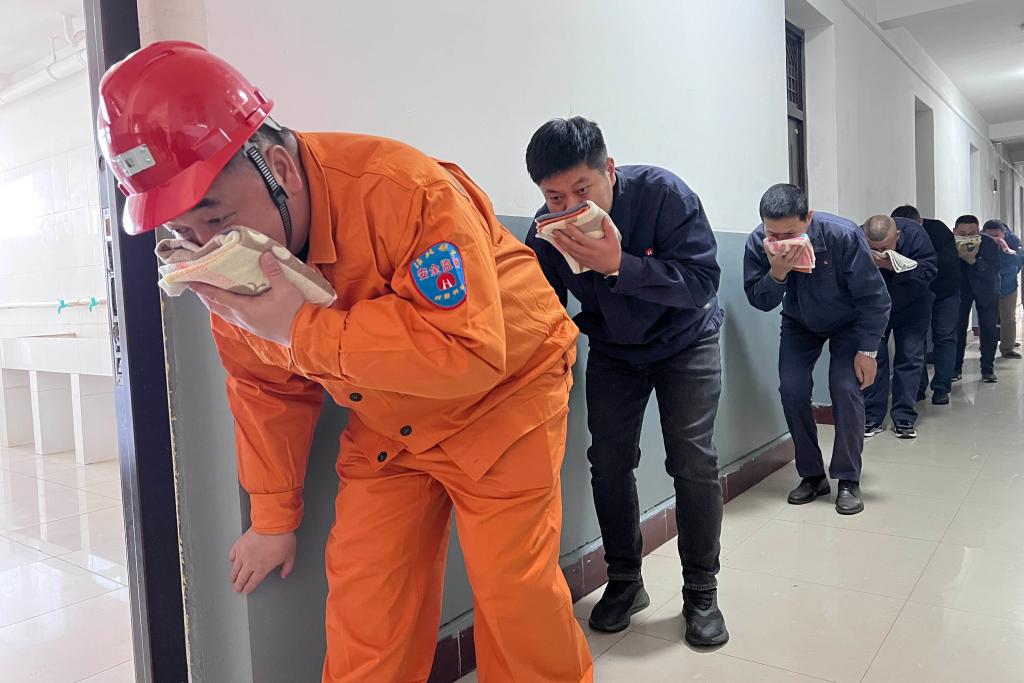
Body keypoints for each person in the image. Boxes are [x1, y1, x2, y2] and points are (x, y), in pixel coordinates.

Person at [96, 42, 593, 683]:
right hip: (389, 422)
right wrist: (273, 518)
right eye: (183, 232)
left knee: (516, 597)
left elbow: (468, 351)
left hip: (504, 395)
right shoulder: (226, 267)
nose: (205, 244)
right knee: (366, 607)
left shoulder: (403, 189)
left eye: (215, 218)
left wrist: (298, 328)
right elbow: (264, 386)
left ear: (280, 167)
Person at [524, 117, 728, 646]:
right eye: (554, 197)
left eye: (582, 190)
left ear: (609, 170)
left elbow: (703, 283)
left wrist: (620, 264)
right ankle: (624, 580)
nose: (570, 207)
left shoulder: (665, 195)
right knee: (608, 461)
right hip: (615, 349)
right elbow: (542, 307)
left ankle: (701, 592)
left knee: (692, 460)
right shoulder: (546, 232)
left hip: (687, 339)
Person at [744, 185, 890, 516]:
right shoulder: (757, 242)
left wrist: (868, 351)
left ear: (808, 218)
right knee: (791, 389)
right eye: (773, 234)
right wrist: (777, 272)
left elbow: (875, 298)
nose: (782, 241)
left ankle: (848, 478)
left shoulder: (842, 235)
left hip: (848, 323)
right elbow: (759, 300)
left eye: (790, 234)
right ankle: (812, 475)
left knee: (845, 388)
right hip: (799, 323)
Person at [860, 216, 936, 439]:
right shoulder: (856, 236)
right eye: (873, 248)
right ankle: (872, 417)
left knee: (909, 358)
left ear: (898, 236)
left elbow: (929, 271)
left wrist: (889, 265)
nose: (879, 252)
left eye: (885, 247)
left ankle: (904, 417)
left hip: (913, 305)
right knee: (874, 358)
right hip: (874, 307)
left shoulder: (916, 235)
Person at [891, 206, 960, 405]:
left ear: (920, 223)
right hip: (914, 295)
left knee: (944, 337)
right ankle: (917, 388)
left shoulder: (938, 231)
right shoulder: (890, 236)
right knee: (915, 342)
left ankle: (941, 388)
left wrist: (907, 265)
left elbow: (943, 264)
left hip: (944, 292)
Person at [953, 215, 1000, 384]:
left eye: (972, 233)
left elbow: (994, 268)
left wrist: (972, 260)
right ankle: (955, 368)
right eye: (962, 234)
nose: (967, 237)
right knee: (957, 328)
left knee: (988, 328)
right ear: (954, 231)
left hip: (987, 289)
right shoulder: (949, 244)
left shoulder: (989, 243)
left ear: (979, 231)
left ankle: (987, 369)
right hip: (960, 289)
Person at [981, 220, 1024, 359]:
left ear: (1003, 233)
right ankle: (986, 345)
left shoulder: (1013, 240)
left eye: (997, 236)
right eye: (989, 236)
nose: (993, 239)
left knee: (1008, 318)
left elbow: (1019, 260)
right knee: (987, 318)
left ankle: (1007, 348)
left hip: (1008, 284)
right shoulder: (980, 240)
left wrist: (1007, 251)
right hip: (986, 285)